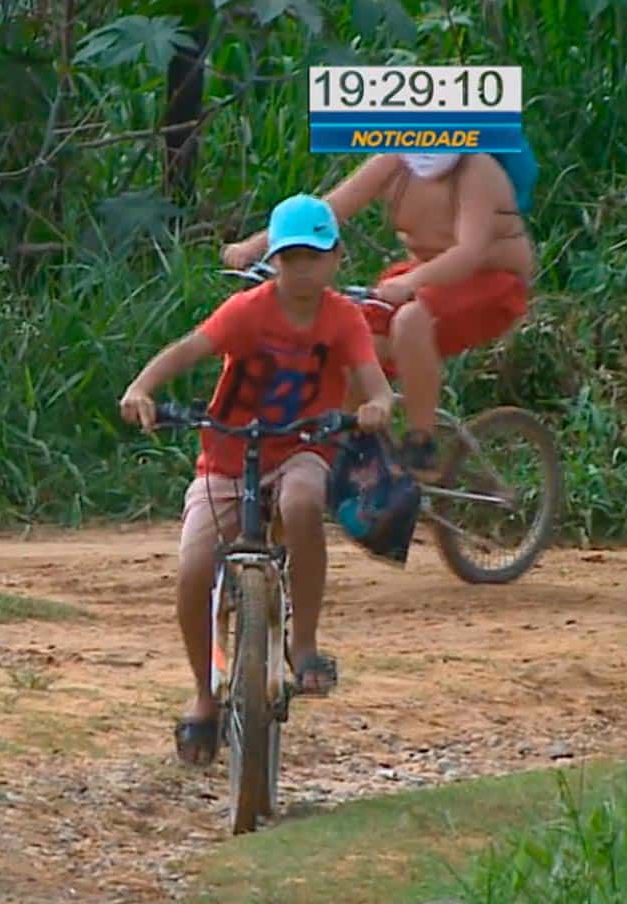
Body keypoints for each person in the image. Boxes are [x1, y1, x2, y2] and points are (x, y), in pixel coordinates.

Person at [122, 195, 396, 764]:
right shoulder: (248, 310)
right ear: (272, 260)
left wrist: (376, 406)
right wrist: (142, 388)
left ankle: (305, 642)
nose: (301, 269)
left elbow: (375, 384)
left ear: (337, 259)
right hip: (226, 452)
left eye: (313, 257)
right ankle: (203, 695)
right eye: (289, 257)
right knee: (194, 567)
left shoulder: (341, 318)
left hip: (301, 443)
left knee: (301, 501)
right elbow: (189, 349)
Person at [223, 152, 533, 472]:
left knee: (410, 321)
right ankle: (354, 445)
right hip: (423, 280)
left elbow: (470, 252)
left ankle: (420, 441)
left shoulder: (476, 169)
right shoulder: (394, 161)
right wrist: (255, 246)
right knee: (351, 343)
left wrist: (412, 282)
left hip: (491, 283)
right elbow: (327, 211)